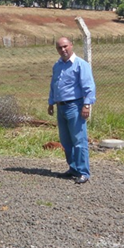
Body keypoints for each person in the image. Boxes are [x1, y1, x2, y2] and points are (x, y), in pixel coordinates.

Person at [47, 37, 96, 184]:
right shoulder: (57, 66)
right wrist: (51, 103)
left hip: (75, 106)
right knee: (66, 141)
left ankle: (83, 172)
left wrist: (86, 105)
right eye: (59, 48)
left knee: (79, 140)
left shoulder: (81, 65)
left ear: (71, 46)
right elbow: (54, 85)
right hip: (61, 107)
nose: (63, 50)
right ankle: (73, 168)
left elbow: (89, 86)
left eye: (65, 46)